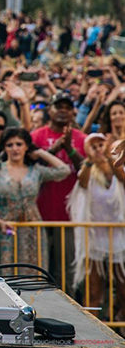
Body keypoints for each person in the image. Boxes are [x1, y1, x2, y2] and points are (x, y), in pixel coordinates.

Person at [0, 128, 69, 273]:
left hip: (33, 229)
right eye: (10, 145)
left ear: (26, 146)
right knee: (7, 274)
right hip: (6, 230)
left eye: (19, 144)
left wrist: (40, 152)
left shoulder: (36, 170)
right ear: (4, 148)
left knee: (34, 275)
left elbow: (64, 170)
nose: (15, 148)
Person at [30, 92, 86, 291]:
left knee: (67, 272)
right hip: (38, 216)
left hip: (69, 218)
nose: (63, 110)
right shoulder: (36, 136)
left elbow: (86, 170)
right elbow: (29, 166)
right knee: (39, 270)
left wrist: (70, 149)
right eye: (58, 106)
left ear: (73, 112)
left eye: (67, 107)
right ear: (50, 110)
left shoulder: (82, 138)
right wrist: (54, 149)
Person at [67, 133, 125, 318]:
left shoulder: (118, 169)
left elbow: (123, 179)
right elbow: (82, 182)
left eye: (101, 144)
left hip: (118, 237)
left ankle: (119, 323)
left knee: (124, 289)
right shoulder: (87, 170)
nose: (99, 148)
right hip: (94, 238)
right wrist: (90, 161)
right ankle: (92, 330)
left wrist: (109, 156)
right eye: (94, 146)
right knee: (94, 291)